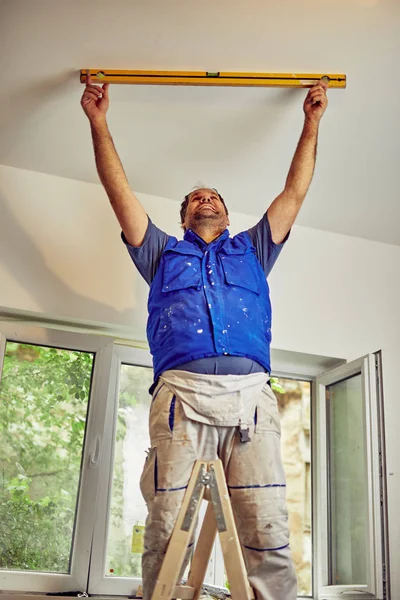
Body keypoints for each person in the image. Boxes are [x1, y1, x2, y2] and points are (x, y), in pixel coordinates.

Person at [81, 74, 328, 600]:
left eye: (212, 195)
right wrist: (99, 122)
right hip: (181, 400)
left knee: (267, 531)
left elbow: (295, 192)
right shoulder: (161, 253)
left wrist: (311, 122)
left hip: (252, 405)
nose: (205, 199)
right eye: (195, 198)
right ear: (185, 216)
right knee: (170, 527)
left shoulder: (254, 249)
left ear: (226, 213)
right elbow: (118, 192)